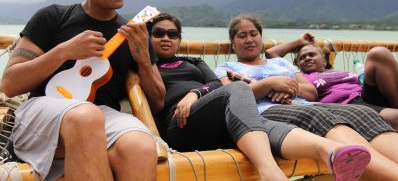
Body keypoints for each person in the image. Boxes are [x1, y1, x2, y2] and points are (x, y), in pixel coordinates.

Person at [1, 0, 165, 181]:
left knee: (140, 146)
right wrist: (63, 51)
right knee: (85, 116)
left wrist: (142, 60)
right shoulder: (53, 17)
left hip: (101, 115)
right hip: (42, 112)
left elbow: (158, 101)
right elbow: (10, 83)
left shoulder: (133, 34)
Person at [147, 13, 373, 181]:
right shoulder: (146, 66)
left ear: (179, 39)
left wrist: (195, 93)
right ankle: (270, 172)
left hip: (214, 120)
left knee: (260, 122)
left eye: (173, 34)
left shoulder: (194, 62)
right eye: (158, 33)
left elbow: (215, 84)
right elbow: (220, 87)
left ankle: (330, 152)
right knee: (240, 90)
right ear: (148, 38)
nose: (166, 38)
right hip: (182, 124)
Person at [215, 13, 398, 180]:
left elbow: (311, 92)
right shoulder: (226, 68)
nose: (249, 39)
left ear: (260, 37)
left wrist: (289, 87)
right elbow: (233, 98)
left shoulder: (280, 63)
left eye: (253, 34)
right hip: (267, 112)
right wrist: (269, 84)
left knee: (360, 113)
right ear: (233, 43)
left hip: (304, 104)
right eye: (242, 36)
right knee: (318, 117)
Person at [266, 33, 398, 131]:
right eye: (302, 58)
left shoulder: (338, 71)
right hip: (349, 105)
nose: (307, 58)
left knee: (379, 53)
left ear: (324, 60)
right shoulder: (300, 76)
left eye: (312, 54)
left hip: (365, 94)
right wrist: (299, 41)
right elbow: (271, 54)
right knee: (397, 119)